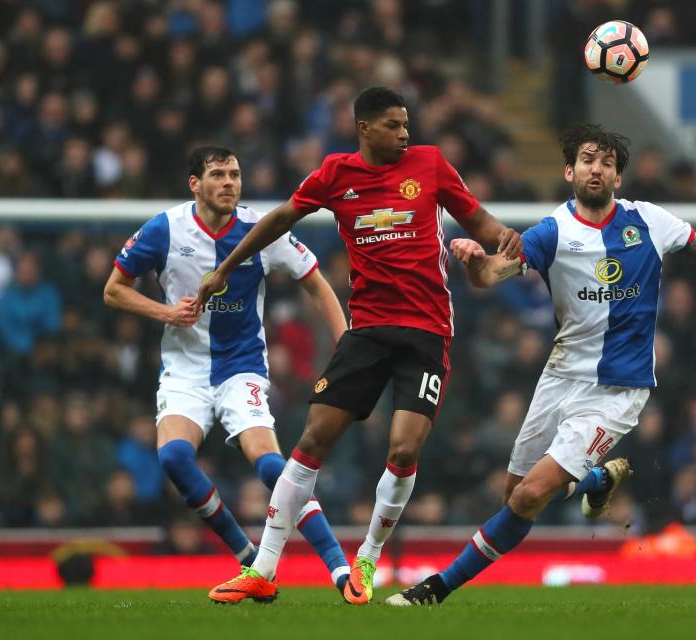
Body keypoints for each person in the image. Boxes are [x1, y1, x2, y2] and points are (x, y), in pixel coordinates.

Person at [386, 123, 696, 606]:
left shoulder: (649, 221)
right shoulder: (553, 232)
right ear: (570, 171)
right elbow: (489, 275)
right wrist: (470, 258)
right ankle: (597, 479)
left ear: (617, 177)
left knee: (529, 497)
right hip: (561, 375)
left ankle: (435, 589)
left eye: (607, 163)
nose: (597, 168)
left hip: (617, 387)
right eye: (588, 160)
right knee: (514, 495)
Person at [200, 87, 522, 605]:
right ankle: (262, 568)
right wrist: (225, 267)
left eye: (407, 125)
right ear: (364, 128)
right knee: (311, 442)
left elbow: (480, 220)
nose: (405, 134)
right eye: (393, 125)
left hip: (427, 330)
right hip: (367, 330)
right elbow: (282, 217)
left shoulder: (430, 164)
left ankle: (367, 560)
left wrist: (508, 240)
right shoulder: (335, 174)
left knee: (403, 448)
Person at [103, 146, 351, 596]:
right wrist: (164, 313)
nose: (229, 183)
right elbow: (113, 290)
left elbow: (316, 279)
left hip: (242, 367)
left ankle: (339, 569)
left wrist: (346, 343)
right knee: (174, 458)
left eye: (235, 174)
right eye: (218, 174)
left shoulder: (261, 230)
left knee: (273, 466)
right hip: (184, 371)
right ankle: (248, 558)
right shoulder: (165, 229)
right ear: (194, 184)